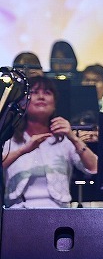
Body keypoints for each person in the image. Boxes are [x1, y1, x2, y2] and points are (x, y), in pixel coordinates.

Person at [2, 76, 97, 208]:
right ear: (23, 102)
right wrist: (23, 150)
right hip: (17, 210)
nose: (41, 97)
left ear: (54, 104)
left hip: (58, 211)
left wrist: (74, 138)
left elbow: (94, 168)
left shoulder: (64, 140)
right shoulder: (9, 137)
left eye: (47, 93)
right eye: (34, 92)